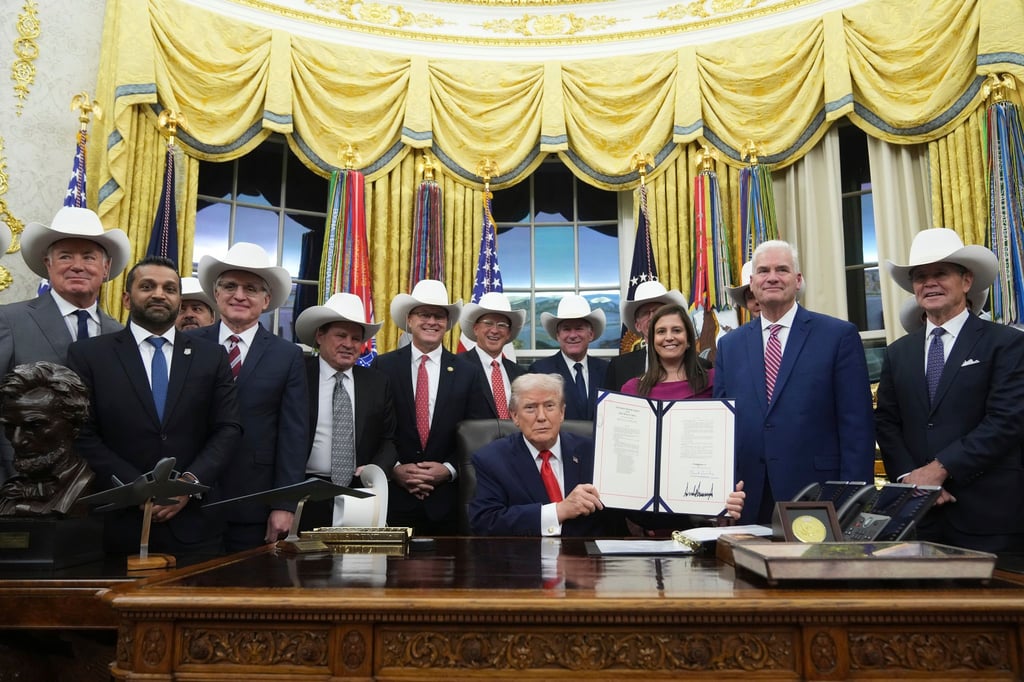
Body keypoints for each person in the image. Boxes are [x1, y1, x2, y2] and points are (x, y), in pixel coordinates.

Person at [66, 256, 241, 555]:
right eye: (147, 286)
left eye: (169, 288)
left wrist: (187, 485)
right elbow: (81, 432)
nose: (159, 294)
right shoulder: (89, 355)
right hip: (117, 524)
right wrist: (140, 488)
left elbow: (228, 428)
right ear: (126, 299)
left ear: (177, 300)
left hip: (195, 525)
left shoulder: (211, 357)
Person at [875, 228, 1024, 553]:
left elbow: (1006, 421)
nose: (929, 283)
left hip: (989, 516)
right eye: (920, 276)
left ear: (966, 281)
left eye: (940, 273)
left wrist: (940, 470)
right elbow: (886, 422)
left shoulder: (1007, 344)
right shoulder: (899, 352)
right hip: (918, 514)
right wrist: (911, 479)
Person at [713, 240, 875, 525]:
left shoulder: (838, 336)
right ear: (751, 283)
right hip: (748, 499)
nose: (772, 277)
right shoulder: (730, 346)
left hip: (819, 496)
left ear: (798, 280)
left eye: (782, 270)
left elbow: (857, 427)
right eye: (763, 271)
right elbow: (722, 429)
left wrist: (852, 502)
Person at [470, 373, 745, 536]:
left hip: (591, 570)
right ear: (515, 416)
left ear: (563, 412)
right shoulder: (491, 459)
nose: (542, 417)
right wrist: (559, 511)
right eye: (530, 408)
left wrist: (713, 505)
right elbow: (484, 522)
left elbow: (643, 510)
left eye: (550, 406)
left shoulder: (595, 451)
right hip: (522, 571)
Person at [192, 243, 309, 551]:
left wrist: (284, 504)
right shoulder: (186, 344)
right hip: (187, 502)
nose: (239, 296)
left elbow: (293, 437)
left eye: (251, 289)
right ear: (216, 295)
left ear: (266, 300)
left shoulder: (288, 356)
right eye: (230, 286)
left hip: (253, 504)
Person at [0, 207, 129, 483]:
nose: (77, 265)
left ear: (106, 268)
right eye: (65, 256)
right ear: (48, 264)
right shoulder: (9, 321)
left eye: (88, 257)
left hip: (100, 486)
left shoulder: (119, 333)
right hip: (22, 483)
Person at [371, 279, 474, 535]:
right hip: (394, 498)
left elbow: (473, 431)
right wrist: (395, 469)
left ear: (448, 324)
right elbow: (374, 428)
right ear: (409, 320)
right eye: (424, 314)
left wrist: (449, 470)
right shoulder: (382, 367)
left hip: (448, 501)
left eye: (439, 316)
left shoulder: (467, 372)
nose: (432, 321)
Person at [294, 292, 398, 530]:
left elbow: (390, 437)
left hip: (360, 492)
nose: (349, 344)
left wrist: (376, 470)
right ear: (320, 336)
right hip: (305, 491)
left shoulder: (377, 382)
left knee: (356, 564)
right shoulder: (297, 375)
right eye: (341, 335)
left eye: (355, 338)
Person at [0, 361, 93, 516]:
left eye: (35, 426)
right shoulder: (10, 490)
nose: (17, 441)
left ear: (74, 425)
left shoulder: (87, 486)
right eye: (10, 427)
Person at [528, 294, 608, 420]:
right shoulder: (540, 371)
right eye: (566, 329)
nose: (572, 335)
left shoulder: (606, 370)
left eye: (579, 328)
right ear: (558, 336)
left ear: (591, 334)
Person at [603, 281, 687, 391]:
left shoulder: (701, 366)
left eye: (658, 311)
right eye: (645, 313)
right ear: (637, 325)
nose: (652, 317)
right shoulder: (618, 367)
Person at [457, 291, 527, 420]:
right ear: (476, 328)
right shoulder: (458, 367)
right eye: (488, 323)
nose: (494, 330)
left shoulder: (520, 373)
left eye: (502, 325)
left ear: (508, 334)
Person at [622, 303, 712, 400]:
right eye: (661, 331)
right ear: (653, 341)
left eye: (677, 330)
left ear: (688, 339)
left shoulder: (714, 381)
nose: (669, 337)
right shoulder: (632, 390)